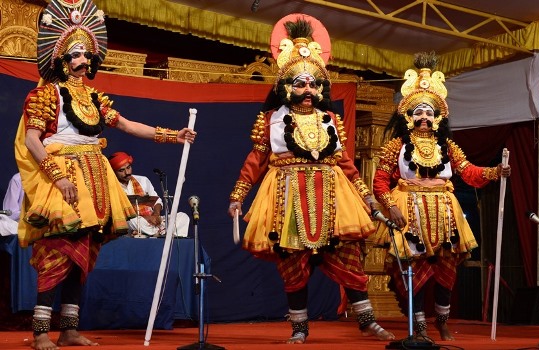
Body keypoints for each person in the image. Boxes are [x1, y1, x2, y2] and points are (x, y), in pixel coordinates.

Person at [14, 1, 196, 349]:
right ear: (60, 59)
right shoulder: (44, 94)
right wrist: (58, 177)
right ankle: (40, 332)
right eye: (75, 55)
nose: (83, 61)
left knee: (82, 255)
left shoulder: (95, 98)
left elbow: (127, 125)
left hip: (95, 180)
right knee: (58, 252)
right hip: (63, 182)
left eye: (86, 54)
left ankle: (68, 329)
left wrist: (174, 135)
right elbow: (32, 140)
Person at [227, 15, 394, 344]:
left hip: (333, 197)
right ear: (285, 87)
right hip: (287, 198)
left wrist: (368, 198)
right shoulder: (272, 118)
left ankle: (367, 321)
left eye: (314, 84)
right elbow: (257, 158)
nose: (308, 90)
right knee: (292, 263)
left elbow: (344, 162)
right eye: (300, 83)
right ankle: (300, 328)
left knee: (348, 259)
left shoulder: (329, 118)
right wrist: (238, 195)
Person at [372, 52, 510, 341]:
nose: (424, 117)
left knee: (447, 270)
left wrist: (496, 172)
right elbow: (380, 181)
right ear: (408, 116)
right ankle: (419, 325)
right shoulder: (396, 145)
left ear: (438, 118)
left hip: (445, 212)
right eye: (418, 112)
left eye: (429, 112)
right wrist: (389, 208)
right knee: (415, 271)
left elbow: (468, 172)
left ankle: (442, 322)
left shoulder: (447, 146)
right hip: (409, 211)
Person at [109, 151, 190, 237]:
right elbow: (117, 212)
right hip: (135, 221)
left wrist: (156, 215)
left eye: (128, 167)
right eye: (122, 170)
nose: (127, 172)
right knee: (130, 221)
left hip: (153, 219)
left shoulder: (143, 180)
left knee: (182, 217)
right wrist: (145, 218)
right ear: (113, 172)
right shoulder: (112, 187)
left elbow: (157, 201)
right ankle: (160, 234)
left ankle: (156, 233)